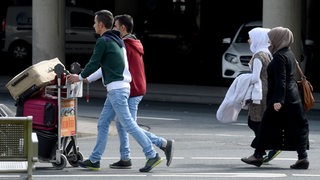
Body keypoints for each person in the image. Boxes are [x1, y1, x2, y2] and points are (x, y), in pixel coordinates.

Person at [67, 9, 163, 172]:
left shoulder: (104, 41)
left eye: (95, 22)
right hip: (119, 88)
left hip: (117, 90)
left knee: (129, 124)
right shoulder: (117, 40)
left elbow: (94, 63)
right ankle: (95, 160)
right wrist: (85, 78)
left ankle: (152, 154)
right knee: (103, 123)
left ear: (101, 24)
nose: (93, 25)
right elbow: (106, 67)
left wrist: (80, 76)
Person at [241, 27, 310, 169]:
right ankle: (302, 158)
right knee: (298, 126)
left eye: (272, 38)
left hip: (282, 97)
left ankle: (258, 156)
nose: (269, 41)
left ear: (279, 39)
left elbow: (281, 80)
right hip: (294, 97)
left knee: (266, 125)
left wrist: (278, 100)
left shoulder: (279, 57)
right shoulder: (289, 53)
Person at [244, 27, 281, 163]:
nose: (249, 40)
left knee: (254, 122)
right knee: (259, 122)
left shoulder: (259, 56)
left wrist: (241, 80)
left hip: (258, 94)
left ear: (258, 39)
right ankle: (265, 147)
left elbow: (255, 78)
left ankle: (264, 149)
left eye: (251, 37)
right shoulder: (268, 53)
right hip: (266, 91)